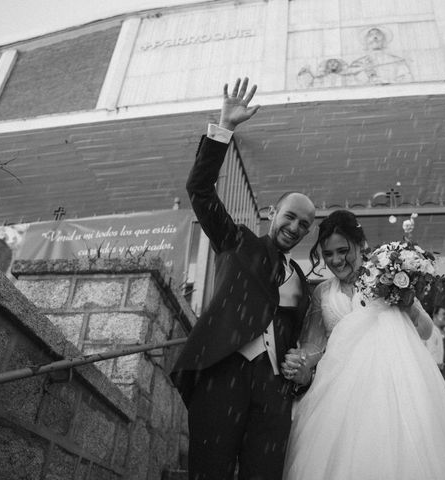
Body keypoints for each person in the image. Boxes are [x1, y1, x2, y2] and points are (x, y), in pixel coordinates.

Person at [170, 78, 316, 480]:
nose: (295, 227)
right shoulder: (237, 241)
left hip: (273, 388)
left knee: (264, 473)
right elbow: (199, 190)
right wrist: (224, 128)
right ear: (272, 213)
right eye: (290, 216)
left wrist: (299, 370)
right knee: (210, 472)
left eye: (304, 224)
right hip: (223, 373)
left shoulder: (301, 279)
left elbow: (300, 334)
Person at [281, 211, 445, 480]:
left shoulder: (385, 277)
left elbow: (426, 331)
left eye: (343, 250)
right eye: (328, 254)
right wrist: (301, 359)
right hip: (339, 392)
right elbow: (313, 343)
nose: (336, 260)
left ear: (361, 243)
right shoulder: (322, 292)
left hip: (392, 385)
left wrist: (409, 306)